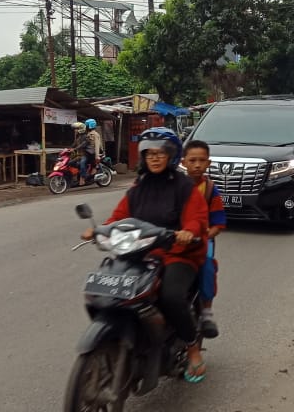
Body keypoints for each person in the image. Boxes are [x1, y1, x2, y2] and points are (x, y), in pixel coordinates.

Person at [81, 128, 211, 383]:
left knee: (171, 296)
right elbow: (119, 216)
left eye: (160, 153)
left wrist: (187, 232)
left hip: (177, 254)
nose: (154, 158)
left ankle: (192, 346)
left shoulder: (184, 187)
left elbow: (197, 218)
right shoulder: (139, 186)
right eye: (149, 153)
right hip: (138, 253)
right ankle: (123, 336)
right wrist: (99, 230)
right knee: (107, 290)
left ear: (171, 156)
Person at [180, 140, 226, 339]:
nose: (197, 165)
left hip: (202, 240)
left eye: (201, 160)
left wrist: (204, 235)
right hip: (176, 238)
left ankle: (206, 311)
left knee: (207, 265)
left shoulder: (209, 189)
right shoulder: (176, 186)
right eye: (192, 160)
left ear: (208, 163)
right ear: (183, 162)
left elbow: (218, 223)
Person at [80, 119, 102, 185]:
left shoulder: (95, 134)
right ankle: (83, 177)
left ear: (90, 126)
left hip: (93, 153)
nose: (85, 126)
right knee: (81, 163)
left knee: (90, 165)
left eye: (86, 125)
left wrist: (97, 156)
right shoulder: (88, 134)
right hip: (87, 153)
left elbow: (97, 145)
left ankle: (86, 178)